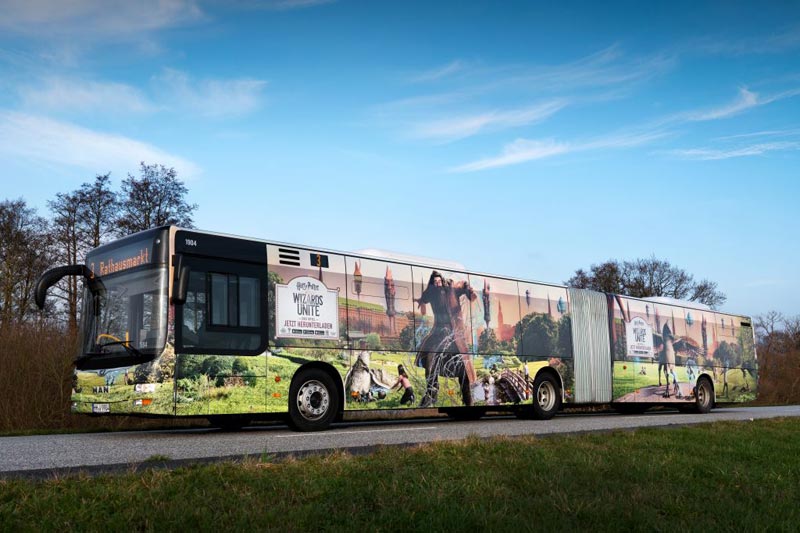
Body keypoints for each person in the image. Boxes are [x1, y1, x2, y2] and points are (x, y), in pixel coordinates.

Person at [414, 271, 477, 408]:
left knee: (462, 365)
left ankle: (468, 399)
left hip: (454, 332)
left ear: (442, 281)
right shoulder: (431, 292)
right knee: (429, 359)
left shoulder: (451, 289)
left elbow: (464, 289)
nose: (437, 284)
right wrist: (420, 301)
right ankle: (431, 393)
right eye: (435, 282)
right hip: (437, 332)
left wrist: (468, 290)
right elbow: (424, 297)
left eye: (438, 281)